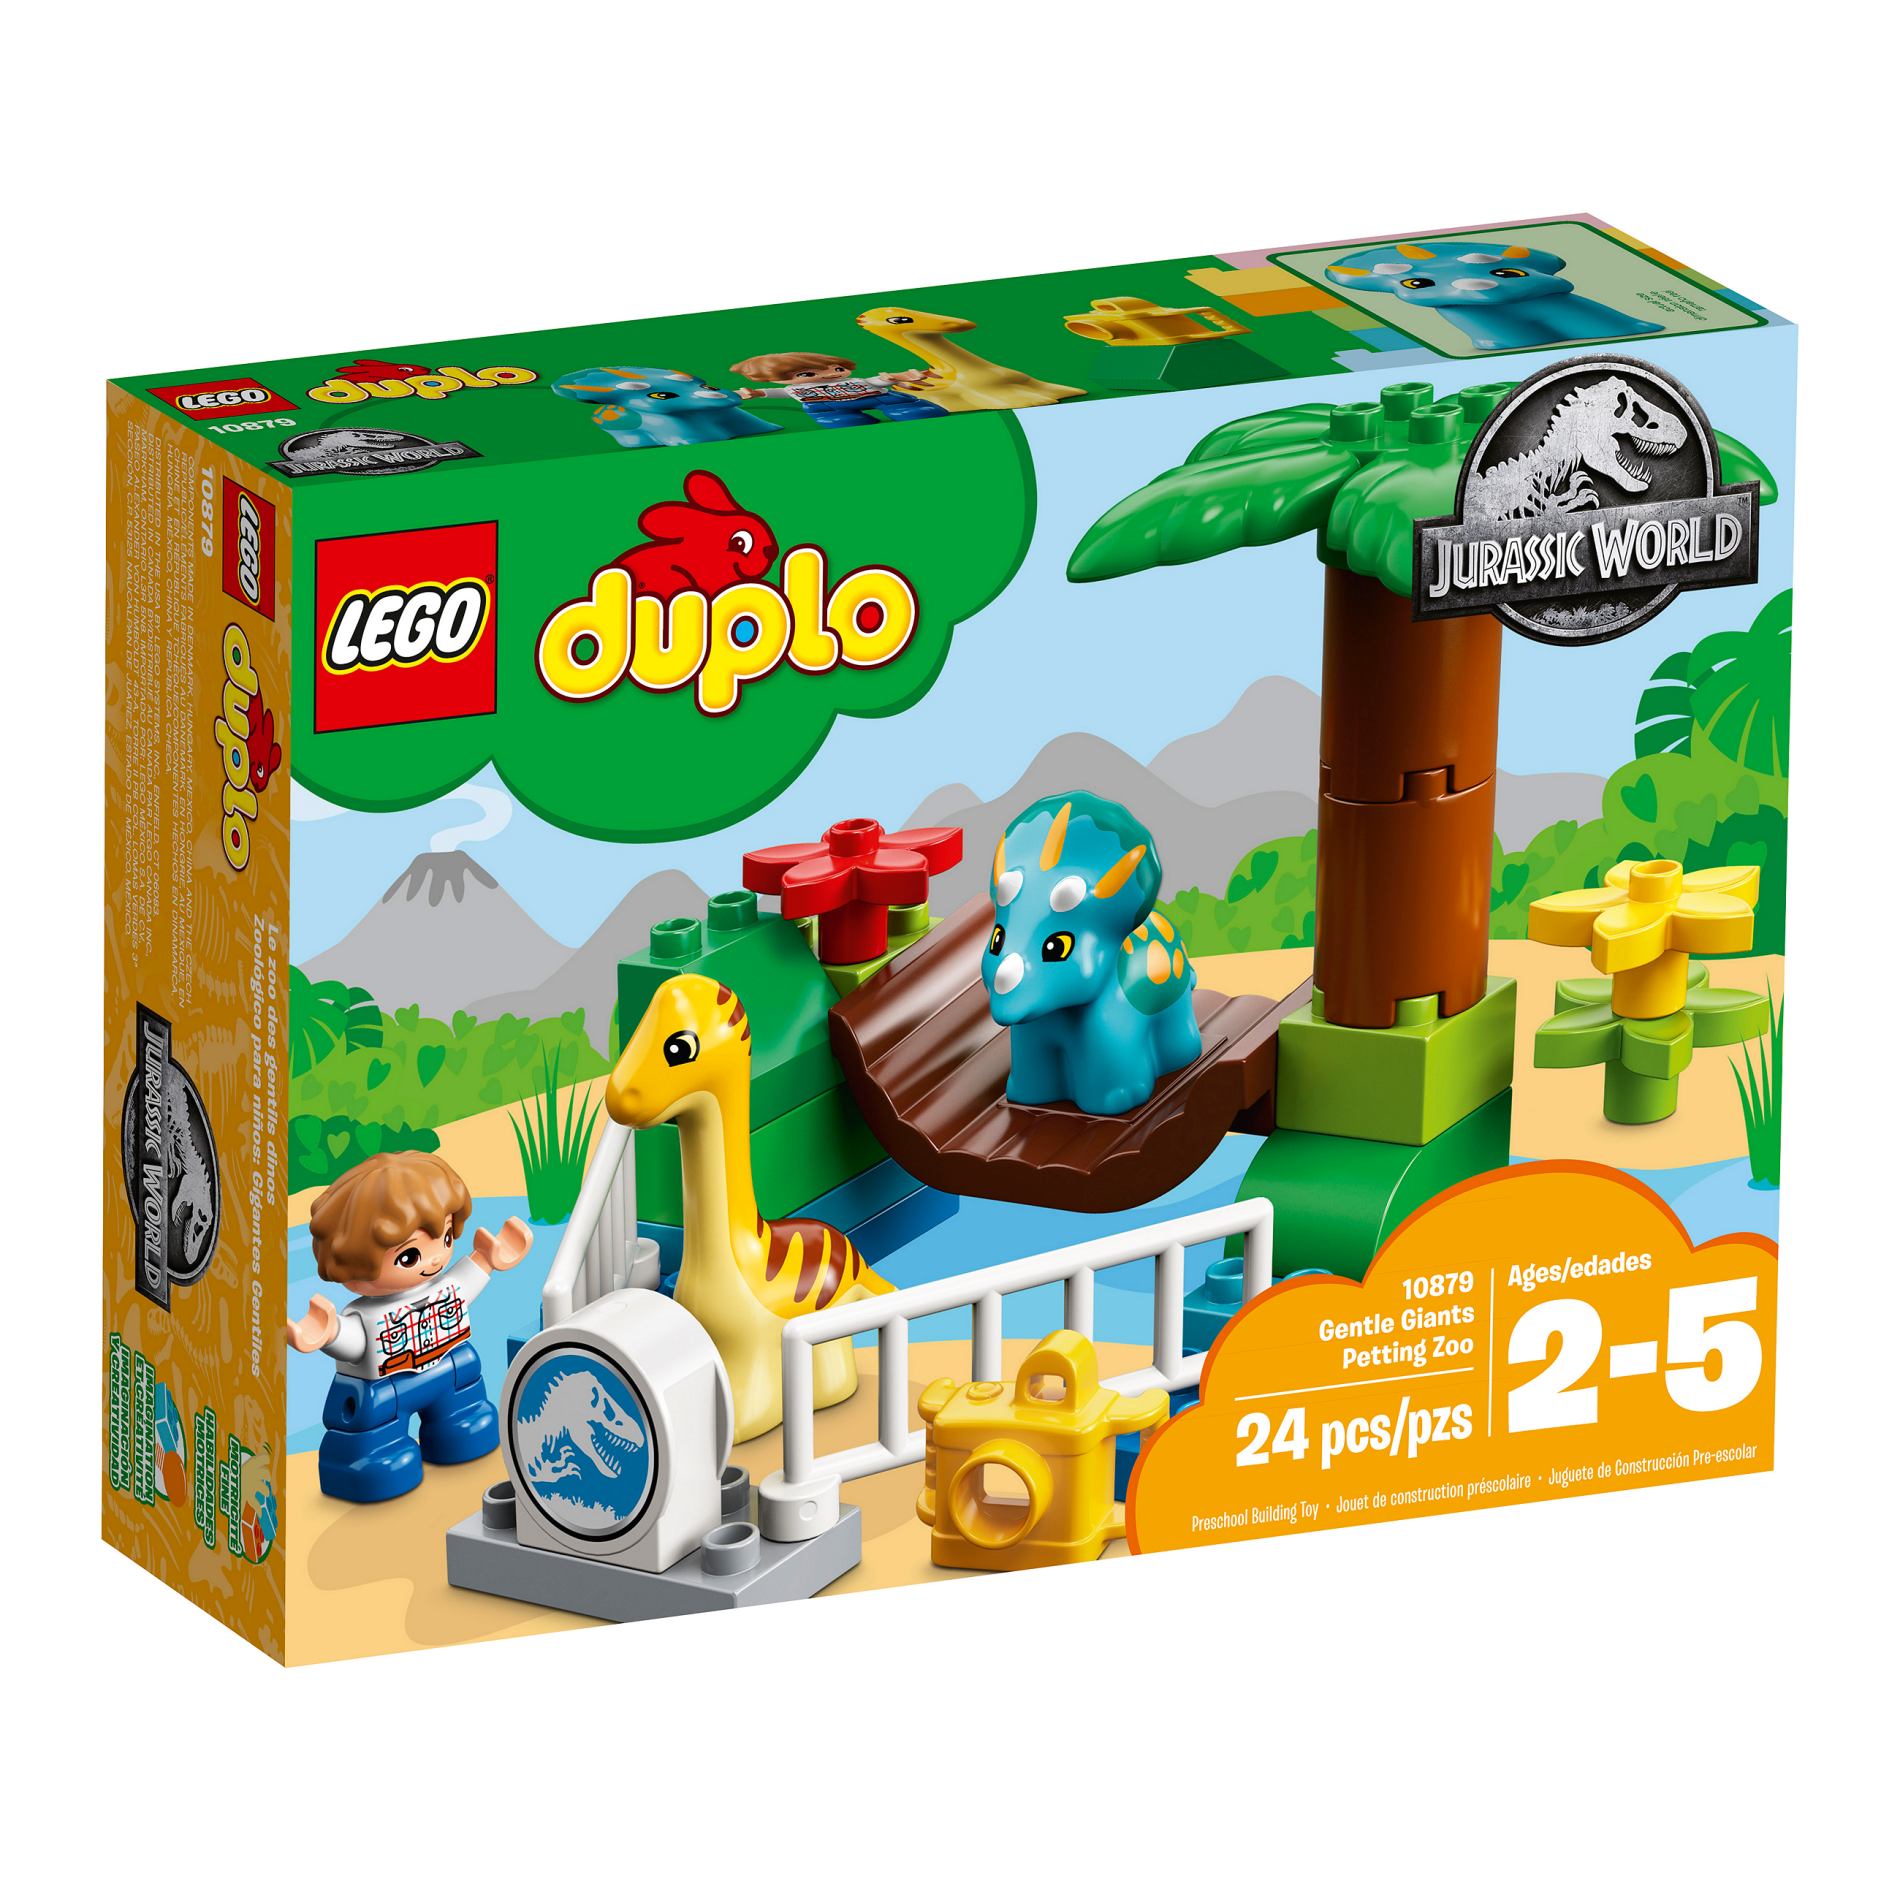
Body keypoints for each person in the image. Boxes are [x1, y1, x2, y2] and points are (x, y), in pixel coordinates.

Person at [287, 1151, 531, 1503]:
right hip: (385, 1389)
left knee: (465, 1417)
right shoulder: (365, 1315)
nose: (436, 1258)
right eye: (409, 1256)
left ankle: (457, 1422)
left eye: (446, 1238)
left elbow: (467, 1282)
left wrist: (489, 1257)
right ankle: (372, 1457)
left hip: (451, 1368)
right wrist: (329, 1334)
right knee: (376, 1447)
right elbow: (354, 1341)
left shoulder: (446, 1288)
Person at [729, 351, 949, 428]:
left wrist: (898, 377)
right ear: (775, 380)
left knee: (909, 409)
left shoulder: (856, 381)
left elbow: (877, 381)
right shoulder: (796, 390)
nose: (830, 374)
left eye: (837, 369)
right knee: (842, 421)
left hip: (876, 397)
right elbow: (783, 392)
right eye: (806, 374)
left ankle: (907, 410)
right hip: (829, 407)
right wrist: (757, 393)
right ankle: (846, 419)